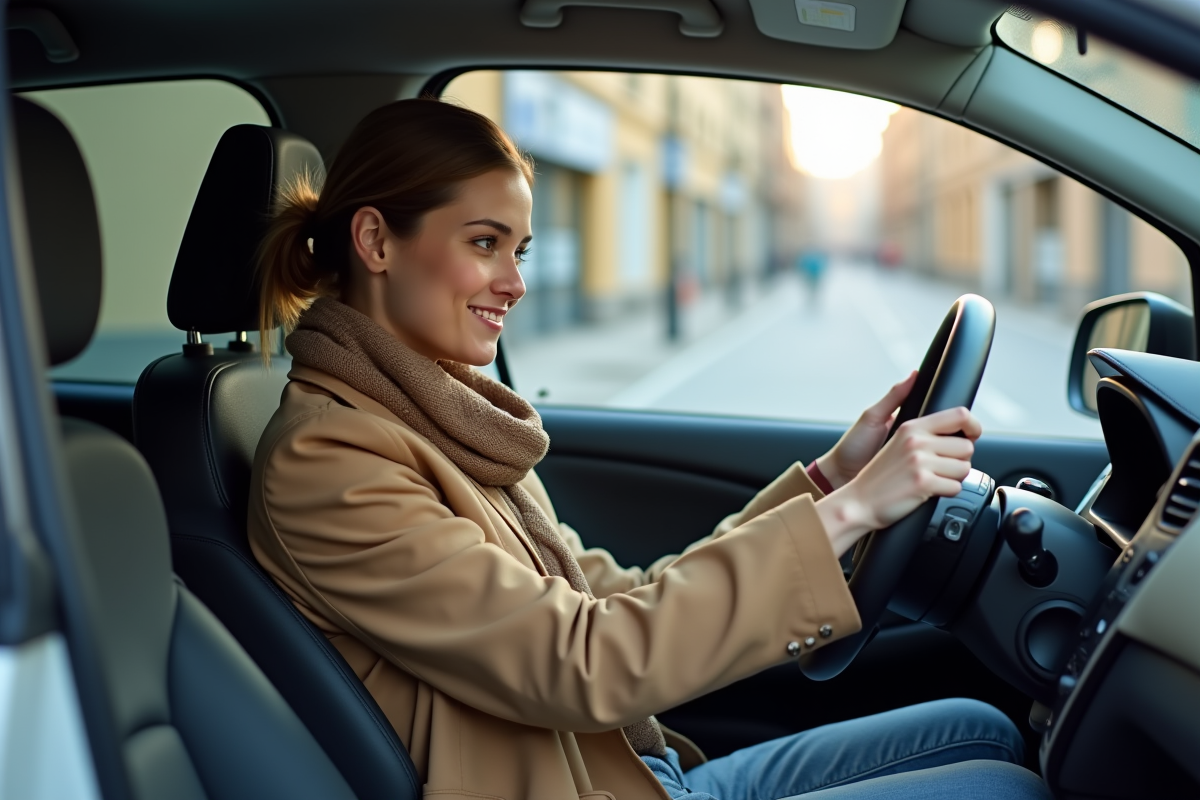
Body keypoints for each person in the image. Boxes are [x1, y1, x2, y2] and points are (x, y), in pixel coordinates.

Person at [248, 98, 1050, 800]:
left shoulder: (431, 420)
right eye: (486, 242)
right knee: (1001, 788)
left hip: (623, 769)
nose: (515, 282)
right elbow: (583, 661)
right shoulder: (331, 463)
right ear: (376, 242)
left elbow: (618, 599)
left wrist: (831, 478)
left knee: (980, 730)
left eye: (519, 250)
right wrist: (852, 513)